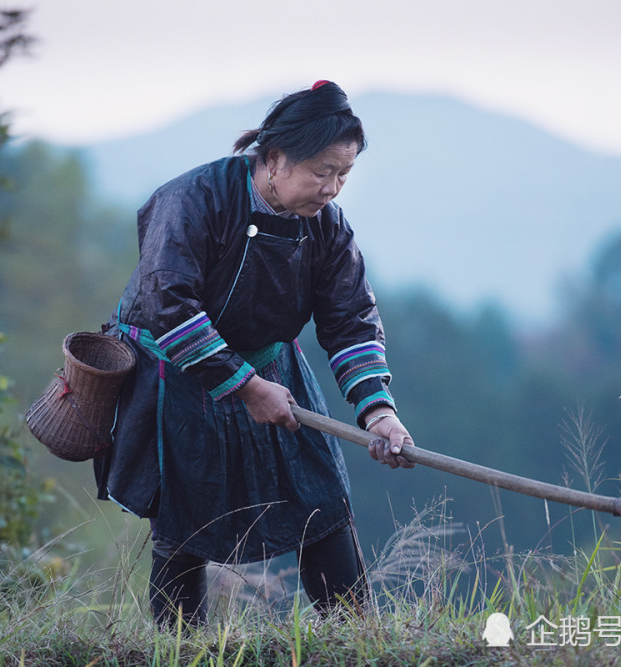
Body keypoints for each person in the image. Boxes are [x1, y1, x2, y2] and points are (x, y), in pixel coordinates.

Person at [94, 80, 414, 626]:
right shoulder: (192, 200)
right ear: (274, 158)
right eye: (322, 172)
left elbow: (351, 320)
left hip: (275, 367)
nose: (333, 188)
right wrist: (242, 385)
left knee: (323, 502)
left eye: (344, 175)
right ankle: (180, 650)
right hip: (182, 370)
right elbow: (167, 304)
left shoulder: (327, 228)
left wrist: (379, 411)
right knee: (187, 520)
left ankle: (361, 638)